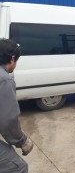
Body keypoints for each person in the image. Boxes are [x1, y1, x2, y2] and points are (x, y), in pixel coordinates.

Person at [0, 39, 34, 173]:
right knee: (18, 167)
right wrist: (22, 141)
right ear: (12, 58)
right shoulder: (4, 79)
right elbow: (8, 120)